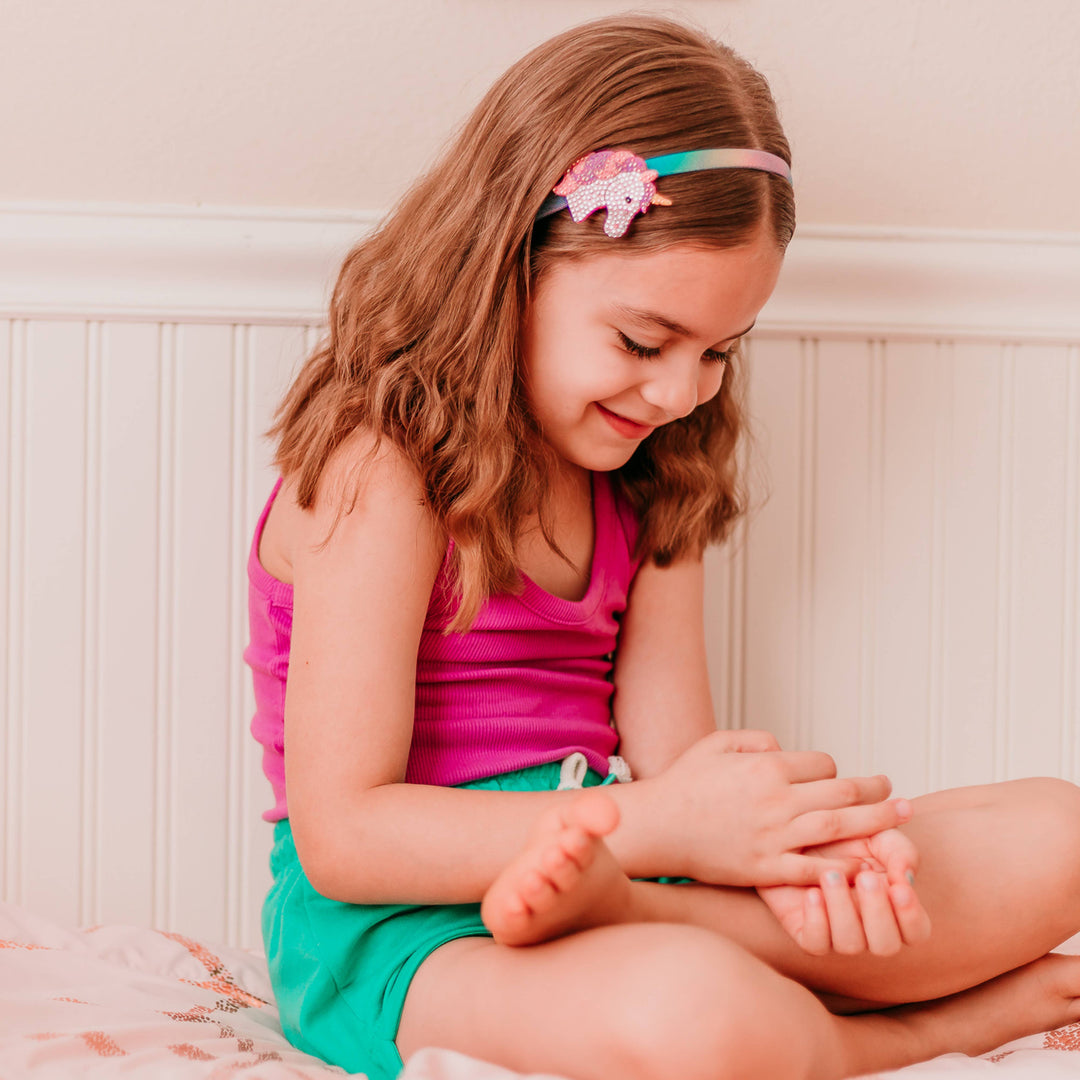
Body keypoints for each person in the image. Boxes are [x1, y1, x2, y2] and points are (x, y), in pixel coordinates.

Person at [245, 14, 1080, 1080]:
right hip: (403, 936)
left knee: (1057, 830)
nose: (681, 393)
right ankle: (909, 1032)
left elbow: (681, 767)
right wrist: (657, 825)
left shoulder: (647, 469)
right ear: (511, 262)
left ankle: (629, 914)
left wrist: (788, 847)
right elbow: (345, 837)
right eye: (644, 342)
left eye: (719, 351)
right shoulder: (387, 467)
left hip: (631, 873)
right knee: (699, 1017)